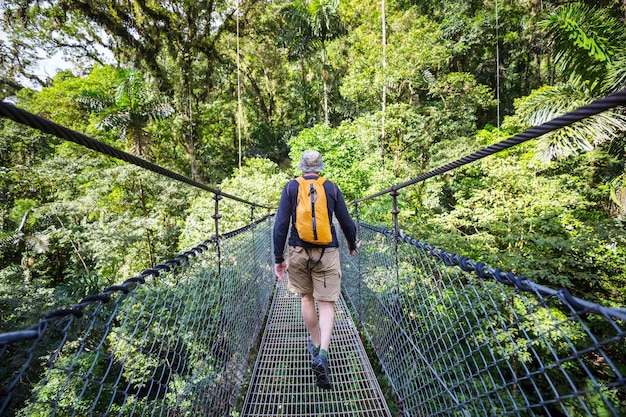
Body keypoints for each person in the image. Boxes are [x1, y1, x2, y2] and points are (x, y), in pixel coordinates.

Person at [273, 149, 361, 390]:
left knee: (306, 297)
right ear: (320, 167)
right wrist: (352, 244)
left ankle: (314, 344)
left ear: (302, 167)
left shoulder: (291, 187)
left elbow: (281, 224)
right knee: (327, 304)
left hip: (298, 251)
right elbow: (345, 221)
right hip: (327, 251)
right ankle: (323, 352)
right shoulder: (331, 187)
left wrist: (278, 258)